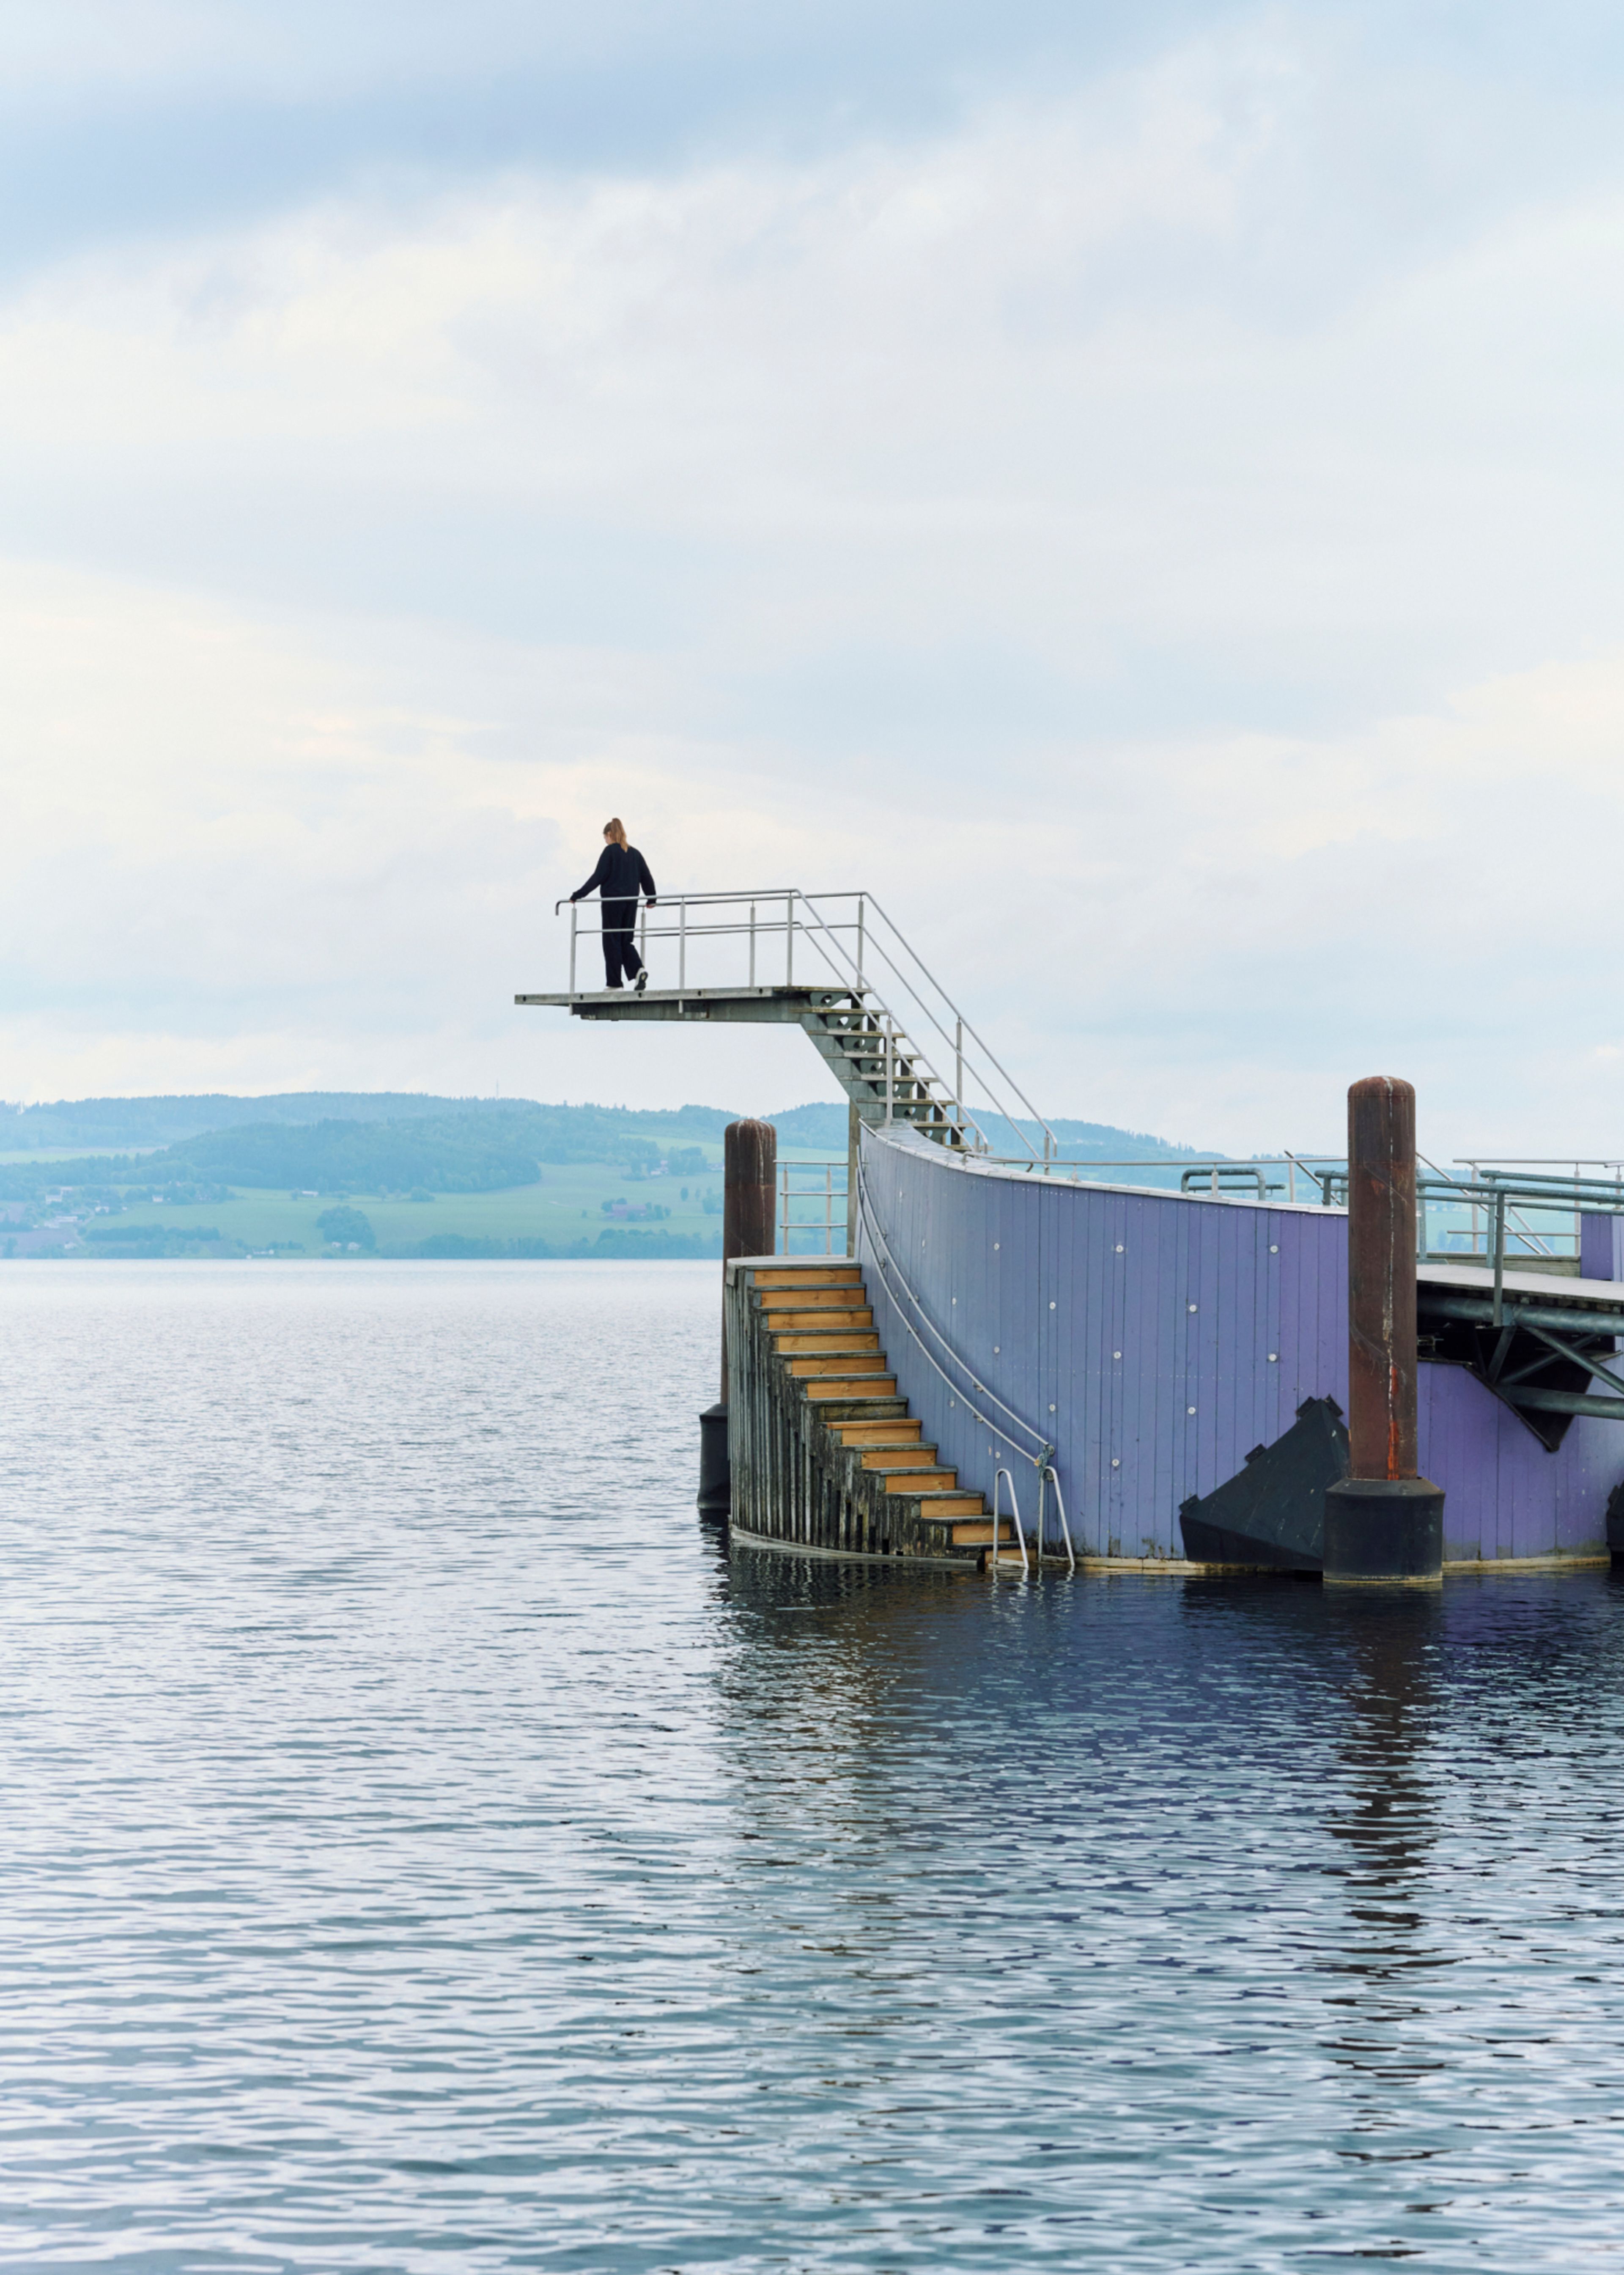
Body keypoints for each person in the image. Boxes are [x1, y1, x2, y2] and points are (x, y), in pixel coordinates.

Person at [569, 818, 658, 990]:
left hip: (613, 904)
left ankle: (615, 984)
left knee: (611, 942)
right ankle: (638, 970)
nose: (606, 841)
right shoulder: (636, 854)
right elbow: (647, 877)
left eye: (605, 838)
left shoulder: (610, 852)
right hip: (631, 904)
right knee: (626, 941)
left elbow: (598, 877)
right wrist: (652, 899)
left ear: (610, 835)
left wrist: (578, 895)